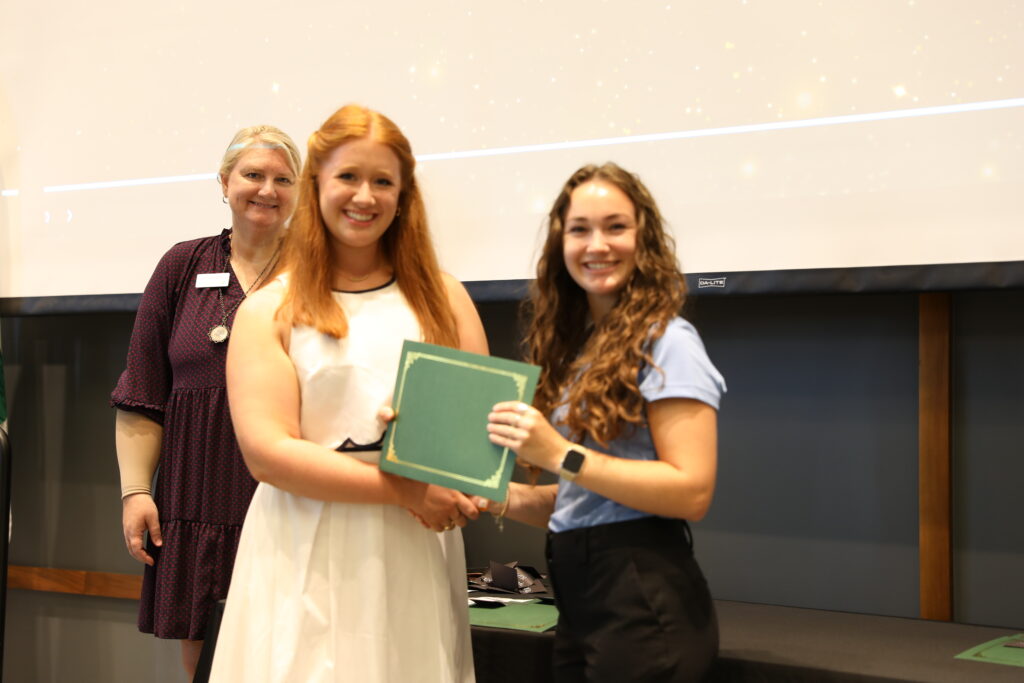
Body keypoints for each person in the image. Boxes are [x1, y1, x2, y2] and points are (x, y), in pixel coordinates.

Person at [208, 104, 487, 682]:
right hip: (302, 548)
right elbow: (268, 454)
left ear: (404, 195)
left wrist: (456, 474)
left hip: (411, 553)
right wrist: (405, 488)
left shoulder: (445, 298)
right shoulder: (268, 310)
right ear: (316, 187)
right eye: (348, 177)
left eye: (383, 181)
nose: (365, 196)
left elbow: (476, 436)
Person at [485, 163, 726, 682]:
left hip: (642, 605)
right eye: (580, 230)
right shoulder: (584, 351)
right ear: (560, 243)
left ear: (645, 239)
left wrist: (557, 453)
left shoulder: (670, 342)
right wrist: (493, 497)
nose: (598, 244)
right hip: (582, 603)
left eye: (616, 227)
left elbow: (691, 492)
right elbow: (586, 501)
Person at [112, 125, 302, 677]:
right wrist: (134, 493)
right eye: (253, 175)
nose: (266, 189)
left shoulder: (318, 271)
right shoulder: (181, 266)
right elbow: (143, 391)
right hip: (194, 499)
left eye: (282, 179)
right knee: (206, 664)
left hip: (287, 496)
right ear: (224, 182)